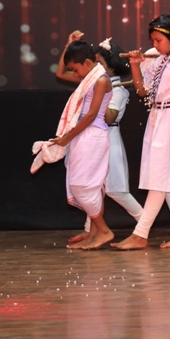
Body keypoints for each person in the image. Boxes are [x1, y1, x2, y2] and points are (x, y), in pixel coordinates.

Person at [111, 13, 170, 250]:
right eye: (153, 40)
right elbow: (142, 91)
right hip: (158, 119)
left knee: (160, 178)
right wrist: (135, 65)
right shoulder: (161, 62)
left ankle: (140, 234)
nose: (155, 45)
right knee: (167, 180)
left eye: (158, 40)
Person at [67, 38, 144, 245]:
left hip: (109, 137)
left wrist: (98, 101)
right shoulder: (94, 84)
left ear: (111, 66)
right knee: (94, 187)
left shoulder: (117, 90)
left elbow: (108, 118)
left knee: (116, 189)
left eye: (99, 62)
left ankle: (144, 225)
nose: (95, 66)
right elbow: (61, 75)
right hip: (94, 138)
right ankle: (90, 231)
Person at [52, 33, 114, 250]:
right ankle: (94, 234)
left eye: (76, 69)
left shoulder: (101, 80)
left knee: (81, 185)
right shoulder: (88, 79)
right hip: (83, 135)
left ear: (87, 63)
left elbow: (91, 115)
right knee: (87, 187)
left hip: (93, 135)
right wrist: (68, 46)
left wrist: (67, 137)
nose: (75, 74)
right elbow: (60, 73)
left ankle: (103, 231)